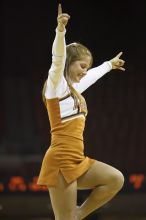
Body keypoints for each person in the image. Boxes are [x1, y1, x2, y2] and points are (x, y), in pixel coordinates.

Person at [37, 4, 125, 220]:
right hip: (60, 161)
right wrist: (60, 32)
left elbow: (90, 77)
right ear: (69, 62)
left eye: (87, 67)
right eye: (82, 66)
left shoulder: (72, 90)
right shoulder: (55, 86)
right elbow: (57, 61)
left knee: (115, 179)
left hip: (77, 160)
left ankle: (78, 215)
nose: (84, 71)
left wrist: (108, 65)